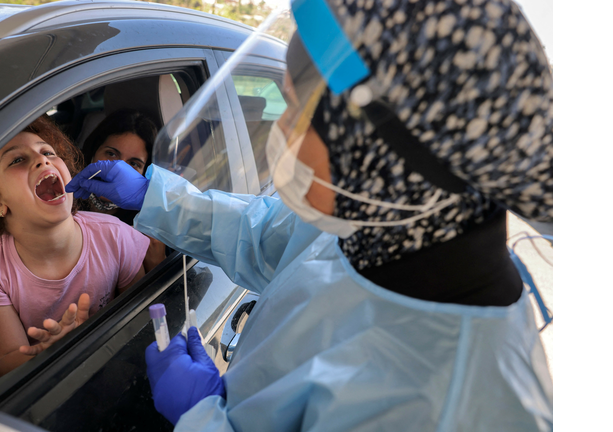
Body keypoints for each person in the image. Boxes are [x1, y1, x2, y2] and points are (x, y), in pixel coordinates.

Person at [67, 0, 553, 430]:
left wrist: (205, 420)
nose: (280, 131)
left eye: (297, 114)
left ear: (374, 149)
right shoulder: (380, 227)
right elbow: (260, 235)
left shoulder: (459, 406)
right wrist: (153, 194)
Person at [0, 115, 149, 379]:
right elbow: (3, 362)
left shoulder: (117, 238)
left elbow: (139, 317)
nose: (43, 159)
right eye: (17, 160)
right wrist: (49, 352)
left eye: (48, 152)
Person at [80, 109, 168, 272]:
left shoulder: (149, 228)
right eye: (111, 154)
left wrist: (156, 264)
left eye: (134, 164)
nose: (118, 171)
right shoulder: (63, 200)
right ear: (93, 153)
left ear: (145, 174)